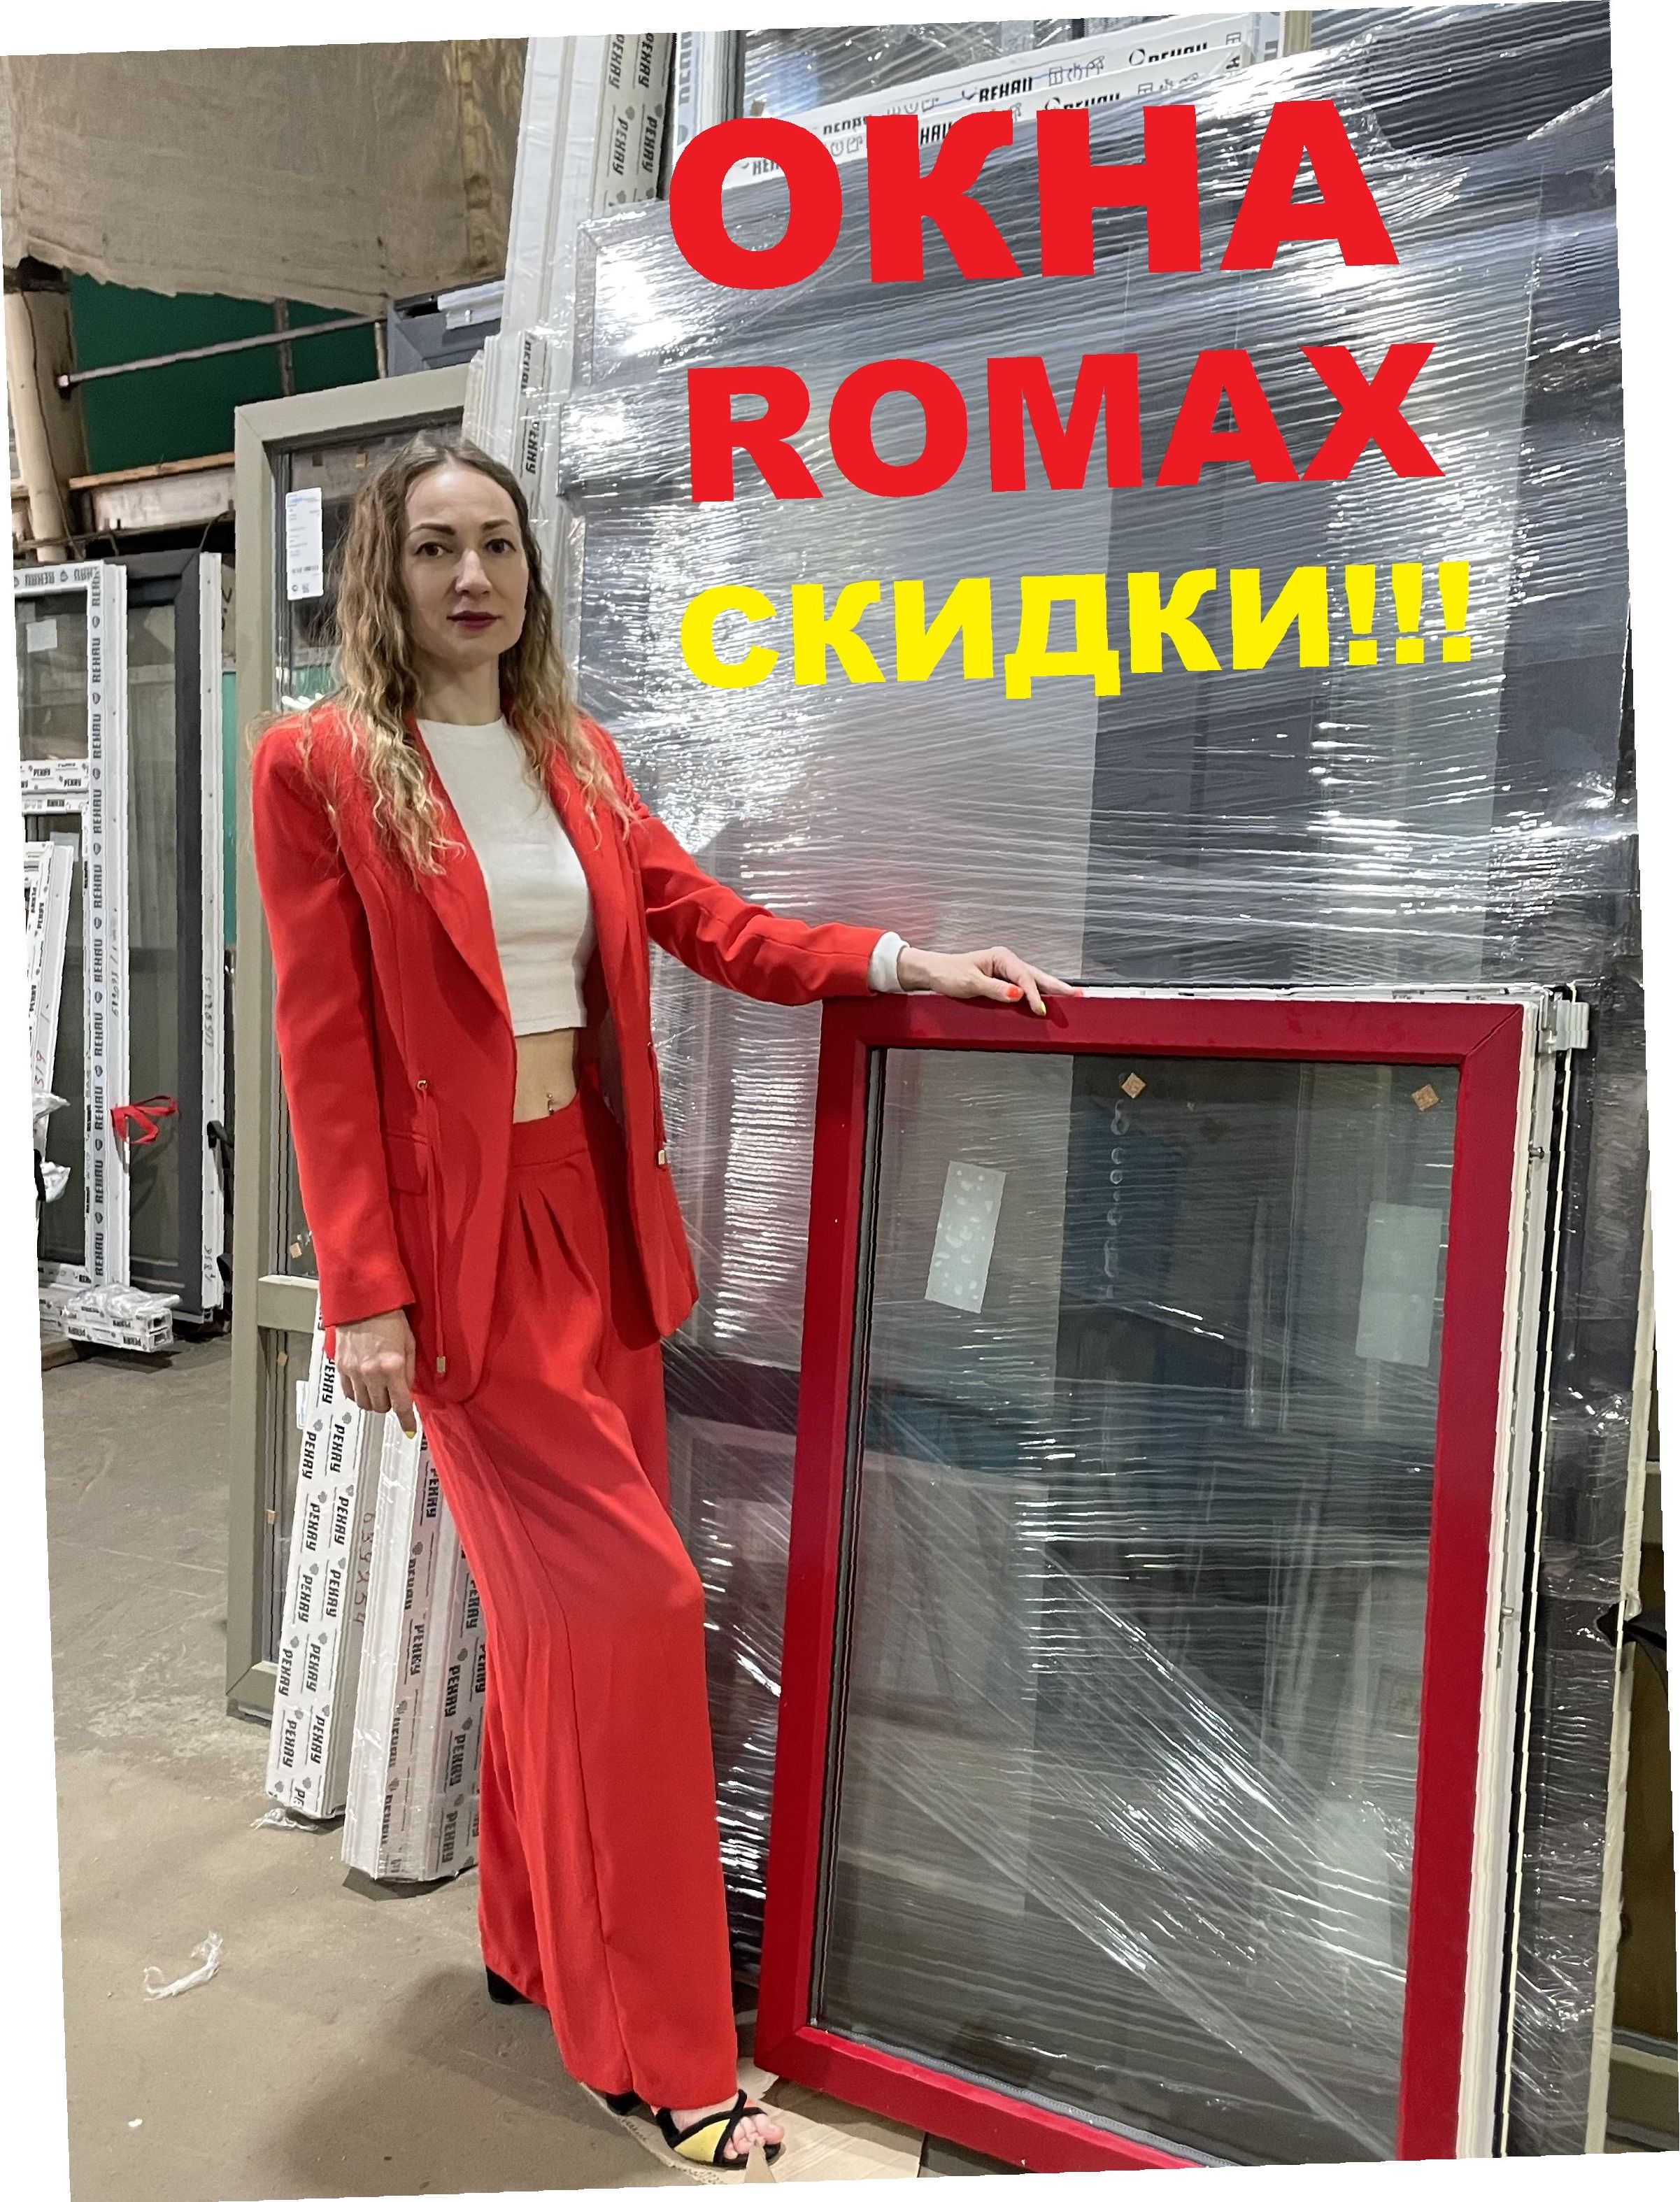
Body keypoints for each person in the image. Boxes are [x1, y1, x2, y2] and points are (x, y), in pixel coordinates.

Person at [250, 434, 1072, 2171]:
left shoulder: (575, 751)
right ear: (382, 575)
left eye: (498, 544)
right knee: (634, 1611)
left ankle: (532, 1936)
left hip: (596, 1226)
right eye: (435, 548)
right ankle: (662, 2053)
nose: (474, 577)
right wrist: (364, 1292)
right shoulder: (319, 766)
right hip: (458, 1263)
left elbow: (704, 919)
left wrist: (900, 962)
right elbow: (321, 1041)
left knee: (561, 1625)